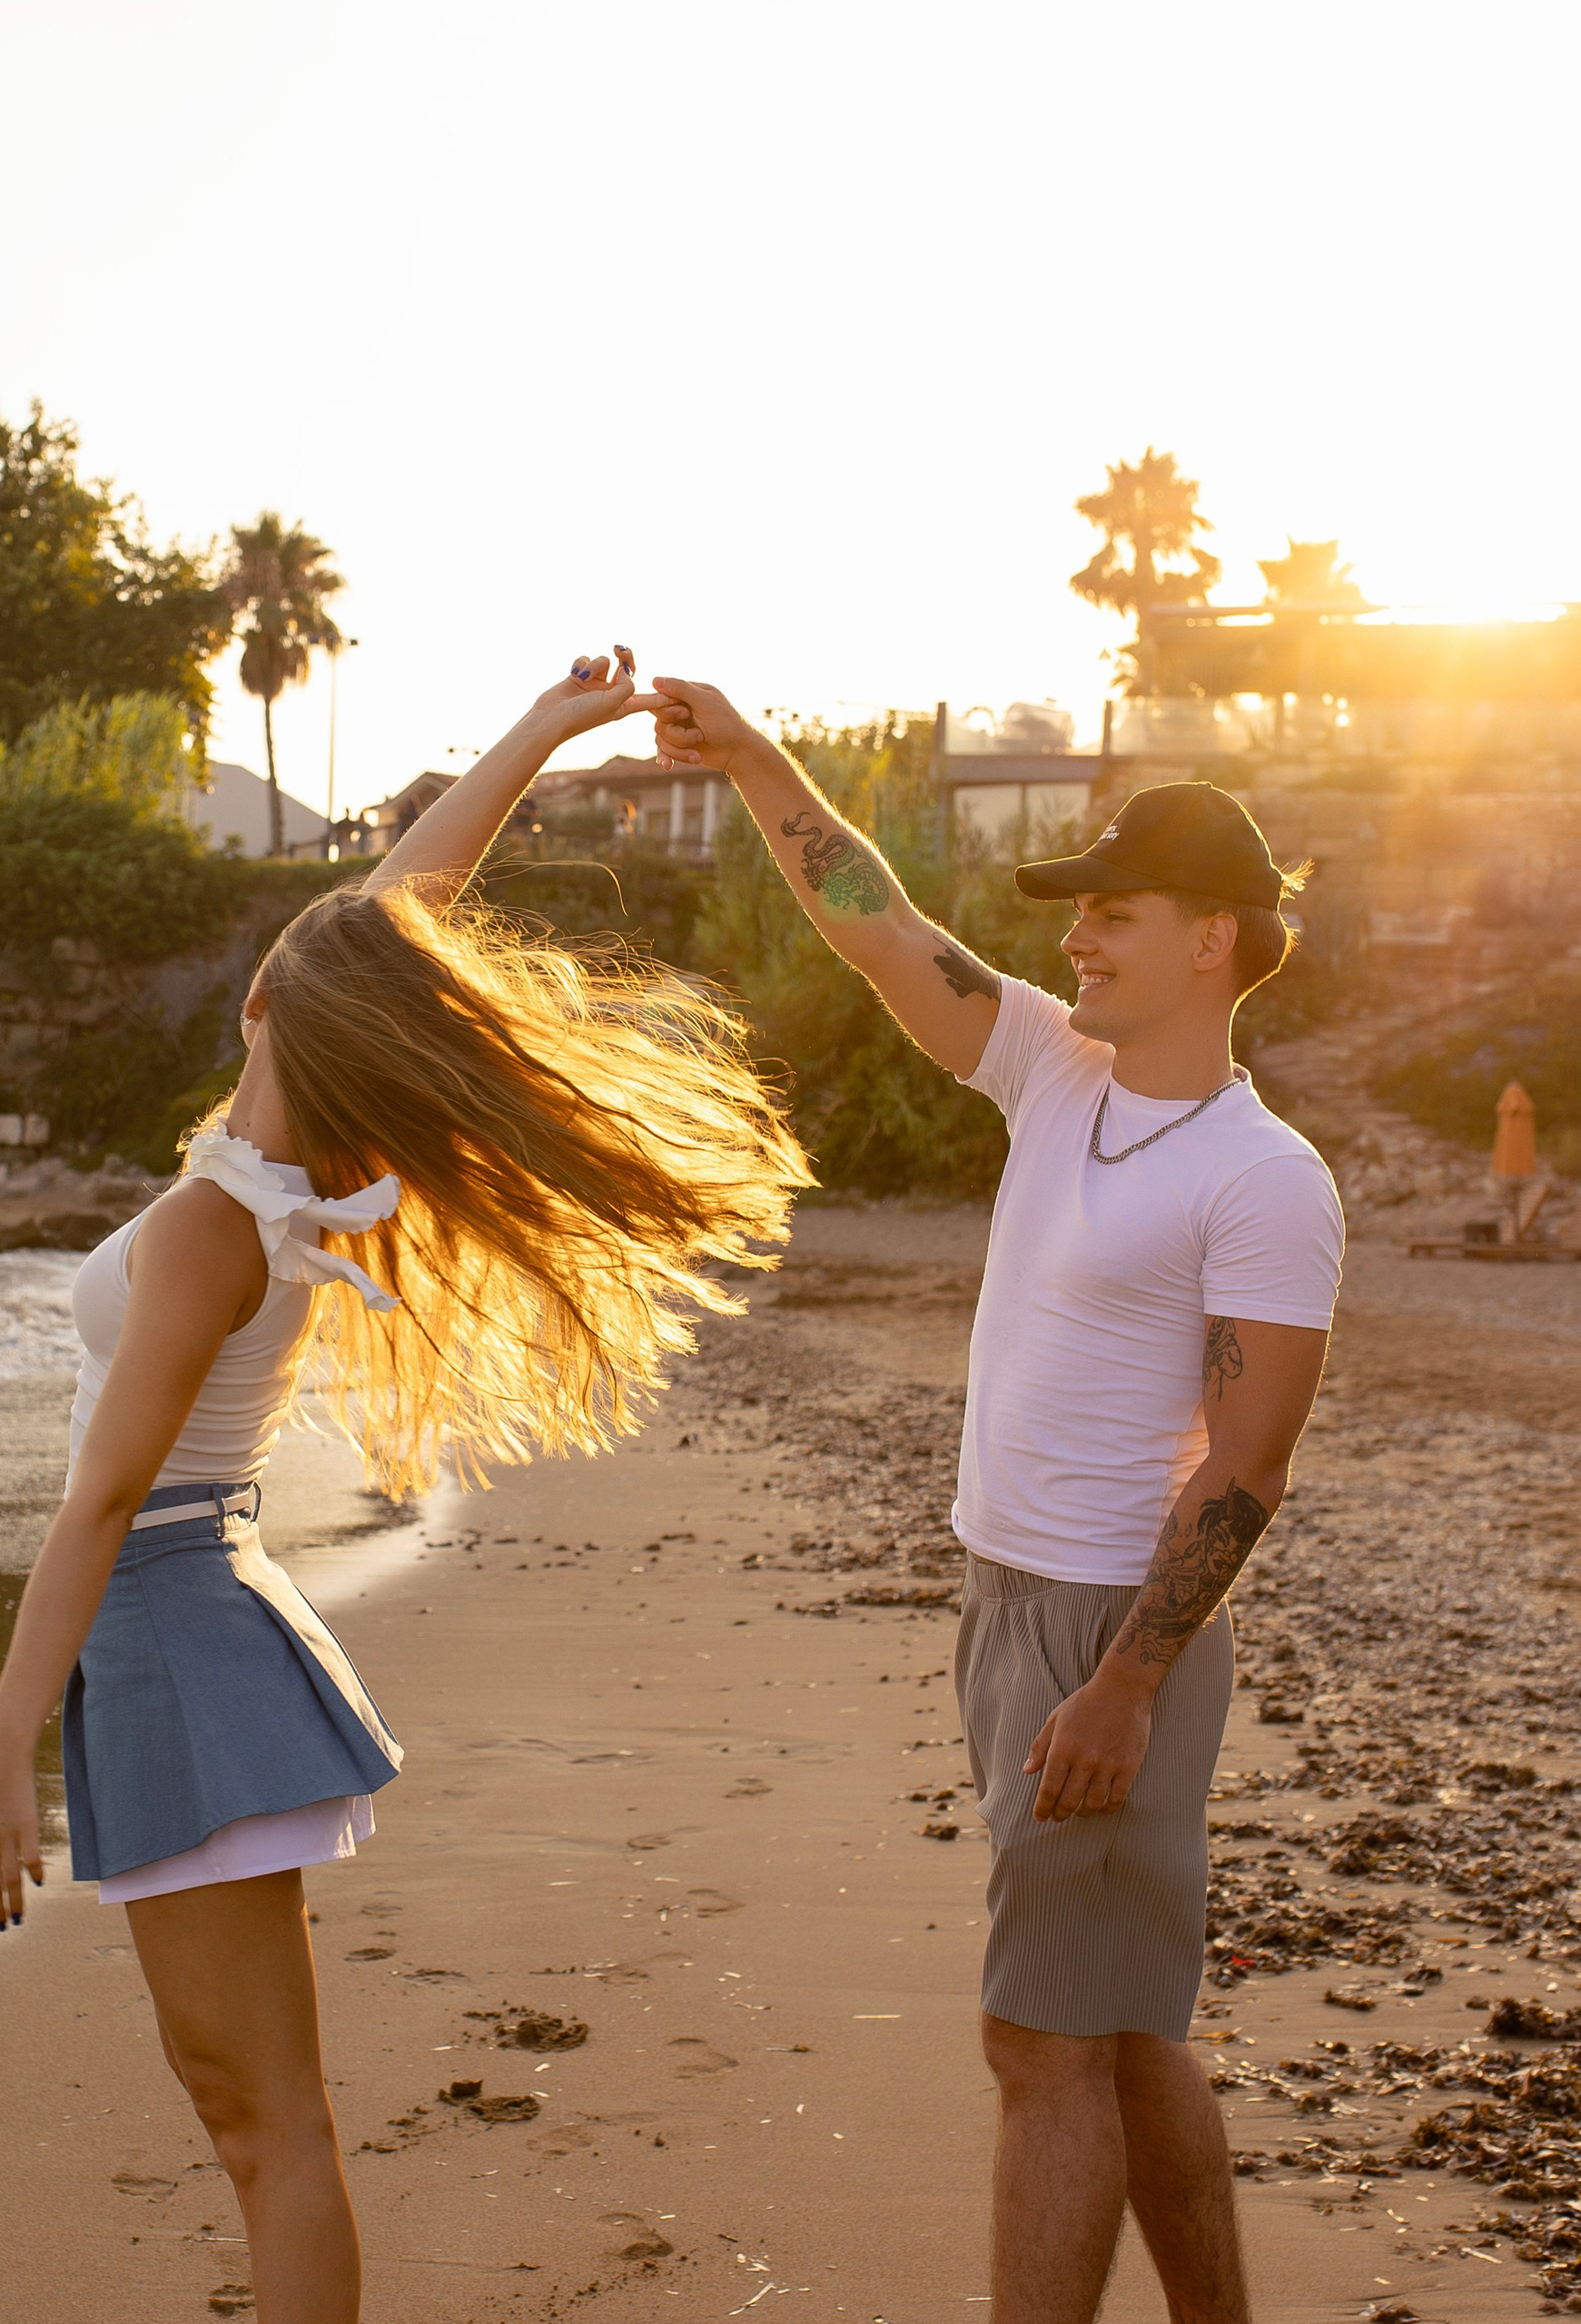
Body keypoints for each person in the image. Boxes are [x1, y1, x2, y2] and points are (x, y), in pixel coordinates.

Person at [0, 656, 809, 2324]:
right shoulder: (258, 1174)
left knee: (269, 2130)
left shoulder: (225, 1223)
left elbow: (101, 1507)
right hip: (183, 1639)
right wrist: (543, 738)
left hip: (174, 1634)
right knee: (252, 2119)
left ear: (275, 1006)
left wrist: (0, 1751)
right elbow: (397, 909)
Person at [648, 680, 1342, 2324]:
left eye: (1118, 912)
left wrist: (1124, 1681)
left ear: (1216, 943)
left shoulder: (1265, 1180)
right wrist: (753, 759)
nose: (1082, 939)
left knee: (1038, 2044)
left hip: (1113, 1632)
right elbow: (875, 927)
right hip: (1011, 1603)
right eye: (1080, 915)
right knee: (1116, 2029)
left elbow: (1249, 1467)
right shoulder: (1055, 1069)